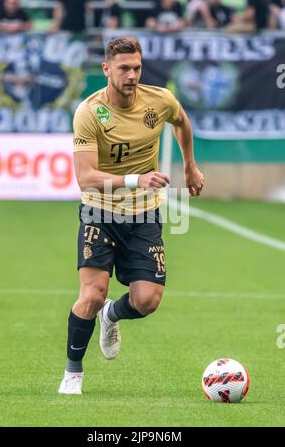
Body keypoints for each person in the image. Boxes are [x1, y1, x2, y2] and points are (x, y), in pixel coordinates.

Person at [58, 37, 204, 395]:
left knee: (147, 301)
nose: (132, 75)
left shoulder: (159, 100)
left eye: (137, 67)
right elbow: (85, 176)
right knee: (92, 294)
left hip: (143, 215)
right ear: (106, 69)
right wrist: (136, 179)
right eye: (124, 68)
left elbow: (181, 121)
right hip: (99, 211)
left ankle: (112, 315)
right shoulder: (90, 112)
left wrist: (189, 167)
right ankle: (72, 373)